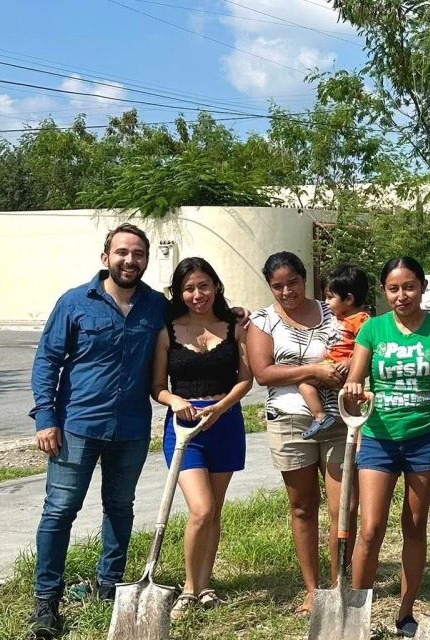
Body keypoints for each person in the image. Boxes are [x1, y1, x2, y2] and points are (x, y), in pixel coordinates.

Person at [28, 223, 167, 638]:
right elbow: (47, 360)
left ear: (145, 259)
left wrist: (234, 314)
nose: (130, 260)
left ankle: (110, 586)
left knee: (120, 508)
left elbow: (201, 308)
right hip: (76, 427)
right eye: (122, 252)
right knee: (59, 511)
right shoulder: (74, 302)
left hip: (131, 428)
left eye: (138, 253)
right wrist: (45, 418)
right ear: (106, 258)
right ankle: (46, 601)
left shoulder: (157, 306)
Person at [342, 256, 430, 638]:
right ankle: (356, 610)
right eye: (393, 288)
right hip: (378, 438)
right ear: (383, 291)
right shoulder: (372, 331)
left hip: (425, 439)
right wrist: (354, 389)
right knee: (371, 528)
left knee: (414, 525)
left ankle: (405, 613)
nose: (401, 295)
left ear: (422, 287)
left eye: (409, 286)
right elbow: (355, 381)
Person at [148, 257, 252, 618]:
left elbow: (245, 380)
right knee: (201, 508)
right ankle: (188, 589)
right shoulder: (167, 330)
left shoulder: (235, 326)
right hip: (183, 431)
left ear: (216, 286)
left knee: (214, 511)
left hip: (224, 423)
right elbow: (157, 386)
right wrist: (175, 399)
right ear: (179, 292)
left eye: (204, 286)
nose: (197, 294)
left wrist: (221, 407)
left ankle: (206, 585)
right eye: (189, 288)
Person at [245, 251, 348, 617]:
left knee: (343, 508)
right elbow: (264, 373)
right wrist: (314, 371)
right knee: (303, 507)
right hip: (290, 421)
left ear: (305, 278)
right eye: (278, 286)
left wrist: (341, 370)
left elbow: (353, 348)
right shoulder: (262, 321)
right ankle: (312, 589)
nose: (286, 291)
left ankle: (339, 587)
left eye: (293, 282)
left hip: (338, 420)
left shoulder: (331, 312)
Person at [299, 263, 371, 439]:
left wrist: (349, 362)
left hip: (346, 372)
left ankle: (358, 446)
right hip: (330, 367)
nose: (326, 302)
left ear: (349, 299)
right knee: (304, 382)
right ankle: (321, 416)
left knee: (351, 406)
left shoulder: (362, 320)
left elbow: (366, 348)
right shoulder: (336, 317)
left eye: (330, 297)